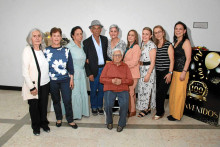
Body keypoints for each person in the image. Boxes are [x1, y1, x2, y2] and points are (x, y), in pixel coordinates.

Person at [44, 27, 78, 128]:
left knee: (67, 100)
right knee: (56, 100)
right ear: (51, 37)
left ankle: (70, 119)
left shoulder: (66, 51)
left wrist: (71, 79)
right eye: (54, 36)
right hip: (52, 81)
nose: (56, 38)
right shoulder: (46, 51)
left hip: (65, 80)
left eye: (58, 35)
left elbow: (70, 67)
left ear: (61, 37)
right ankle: (58, 118)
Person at [22, 28, 50, 136]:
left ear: (42, 38)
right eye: (34, 36)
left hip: (45, 83)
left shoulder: (43, 50)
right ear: (30, 39)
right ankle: (36, 126)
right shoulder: (27, 50)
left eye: (39, 36)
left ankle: (44, 123)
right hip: (34, 85)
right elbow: (25, 72)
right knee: (34, 106)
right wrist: (31, 87)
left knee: (43, 105)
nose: (37, 38)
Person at [100, 48, 133, 132]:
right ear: (112, 56)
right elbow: (101, 79)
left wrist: (121, 81)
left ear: (122, 57)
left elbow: (130, 81)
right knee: (107, 104)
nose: (117, 57)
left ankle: (121, 123)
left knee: (125, 104)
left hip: (122, 88)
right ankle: (109, 121)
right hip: (110, 88)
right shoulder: (108, 65)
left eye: (119, 55)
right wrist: (111, 81)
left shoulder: (125, 66)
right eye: (115, 55)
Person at [83, 20, 108, 116]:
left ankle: (100, 106)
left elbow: (107, 55)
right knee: (93, 90)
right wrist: (89, 73)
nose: (97, 30)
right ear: (91, 30)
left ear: (101, 29)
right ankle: (93, 106)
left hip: (104, 69)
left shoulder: (105, 39)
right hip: (93, 70)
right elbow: (85, 60)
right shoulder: (86, 42)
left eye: (98, 28)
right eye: (94, 28)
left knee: (102, 89)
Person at [168, 21, 191, 121]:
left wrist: (184, 72)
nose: (178, 31)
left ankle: (177, 116)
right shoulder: (176, 42)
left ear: (184, 31)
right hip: (175, 72)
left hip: (182, 72)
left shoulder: (186, 42)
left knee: (179, 95)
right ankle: (173, 113)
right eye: (176, 29)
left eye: (180, 29)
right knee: (173, 94)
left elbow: (188, 58)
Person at [64, 26, 89, 119]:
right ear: (72, 36)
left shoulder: (82, 45)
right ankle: (74, 114)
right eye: (77, 34)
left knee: (82, 93)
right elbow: (66, 63)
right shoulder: (69, 47)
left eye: (81, 34)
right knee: (75, 94)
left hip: (82, 73)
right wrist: (70, 75)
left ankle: (82, 111)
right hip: (73, 74)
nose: (80, 36)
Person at [152, 25, 174, 120]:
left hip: (166, 72)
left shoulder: (168, 45)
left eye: (159, 32)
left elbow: (172, 60)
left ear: (163, 32)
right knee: (157, 92)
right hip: (157, 72)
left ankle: (160, 112)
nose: (157, 34)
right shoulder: (155, 45)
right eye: (155, 32)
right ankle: (160, 109)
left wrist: (170, 73)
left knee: (161, 92)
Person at [136, 27, 156, 117]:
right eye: (143, 33)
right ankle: (143, 106)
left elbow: (153, 62)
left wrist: (148, 74)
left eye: (147, 34)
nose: (144, 35)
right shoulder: (143, 44)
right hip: (142, 69)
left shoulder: (151, 45)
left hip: (149, 70)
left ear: (151, 35)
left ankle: (146, 108)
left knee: (148, 90)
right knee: (142, 89)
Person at [123, 30, 141, 117]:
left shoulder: (136, 47)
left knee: (130, 91)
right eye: (129, 35)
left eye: (132, 35)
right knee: (131, 91)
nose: (130, 37)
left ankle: (132, 111)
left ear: (135, 37)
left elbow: (134, 62)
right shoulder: (128, 47)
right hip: (128, 73)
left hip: (133, 73)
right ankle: (131, 108)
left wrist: (123, 64)